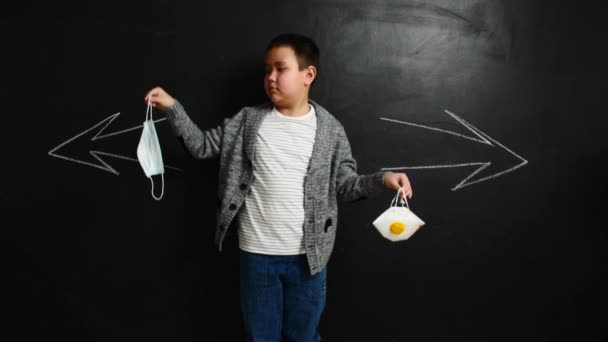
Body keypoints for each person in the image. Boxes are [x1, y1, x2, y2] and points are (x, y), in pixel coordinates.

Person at [145, 33, 413, 342]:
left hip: (309, 257)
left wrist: (383, 179)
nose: (271, 77)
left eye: (280, 69)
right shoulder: (248, 121)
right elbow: (203, 146)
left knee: (303, 335)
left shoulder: (330, 130)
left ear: (307, 75)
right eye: (267, 70)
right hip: (257, 254)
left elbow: (345, 185)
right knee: (261, 336)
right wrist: (172, 107)